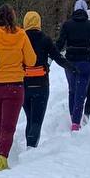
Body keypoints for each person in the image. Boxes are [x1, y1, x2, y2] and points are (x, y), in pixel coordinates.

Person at [0, 4, 37, 170]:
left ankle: (0, 158)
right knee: (8, 126)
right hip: (14, 86)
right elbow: (32, 60)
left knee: (1, 124)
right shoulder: (21, 35)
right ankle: (0, 161)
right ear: (13, 17)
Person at [21, 10, 68, 147]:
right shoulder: (45, 39)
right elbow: (57, 57)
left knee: (30, 118)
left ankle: (29, 145)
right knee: (36, 121)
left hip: (24, 84)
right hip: (41, 84)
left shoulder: (20, 38)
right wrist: (70, 67)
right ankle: (30, 148)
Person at [56, 0, 90, 131]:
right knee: (81, 92)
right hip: (85, 61)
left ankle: (73, 116)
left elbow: (60, 43)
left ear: (74, 10)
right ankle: (76, 123)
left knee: (72, 90)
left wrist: (54, 54)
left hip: (70, 61)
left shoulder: (67, 25)